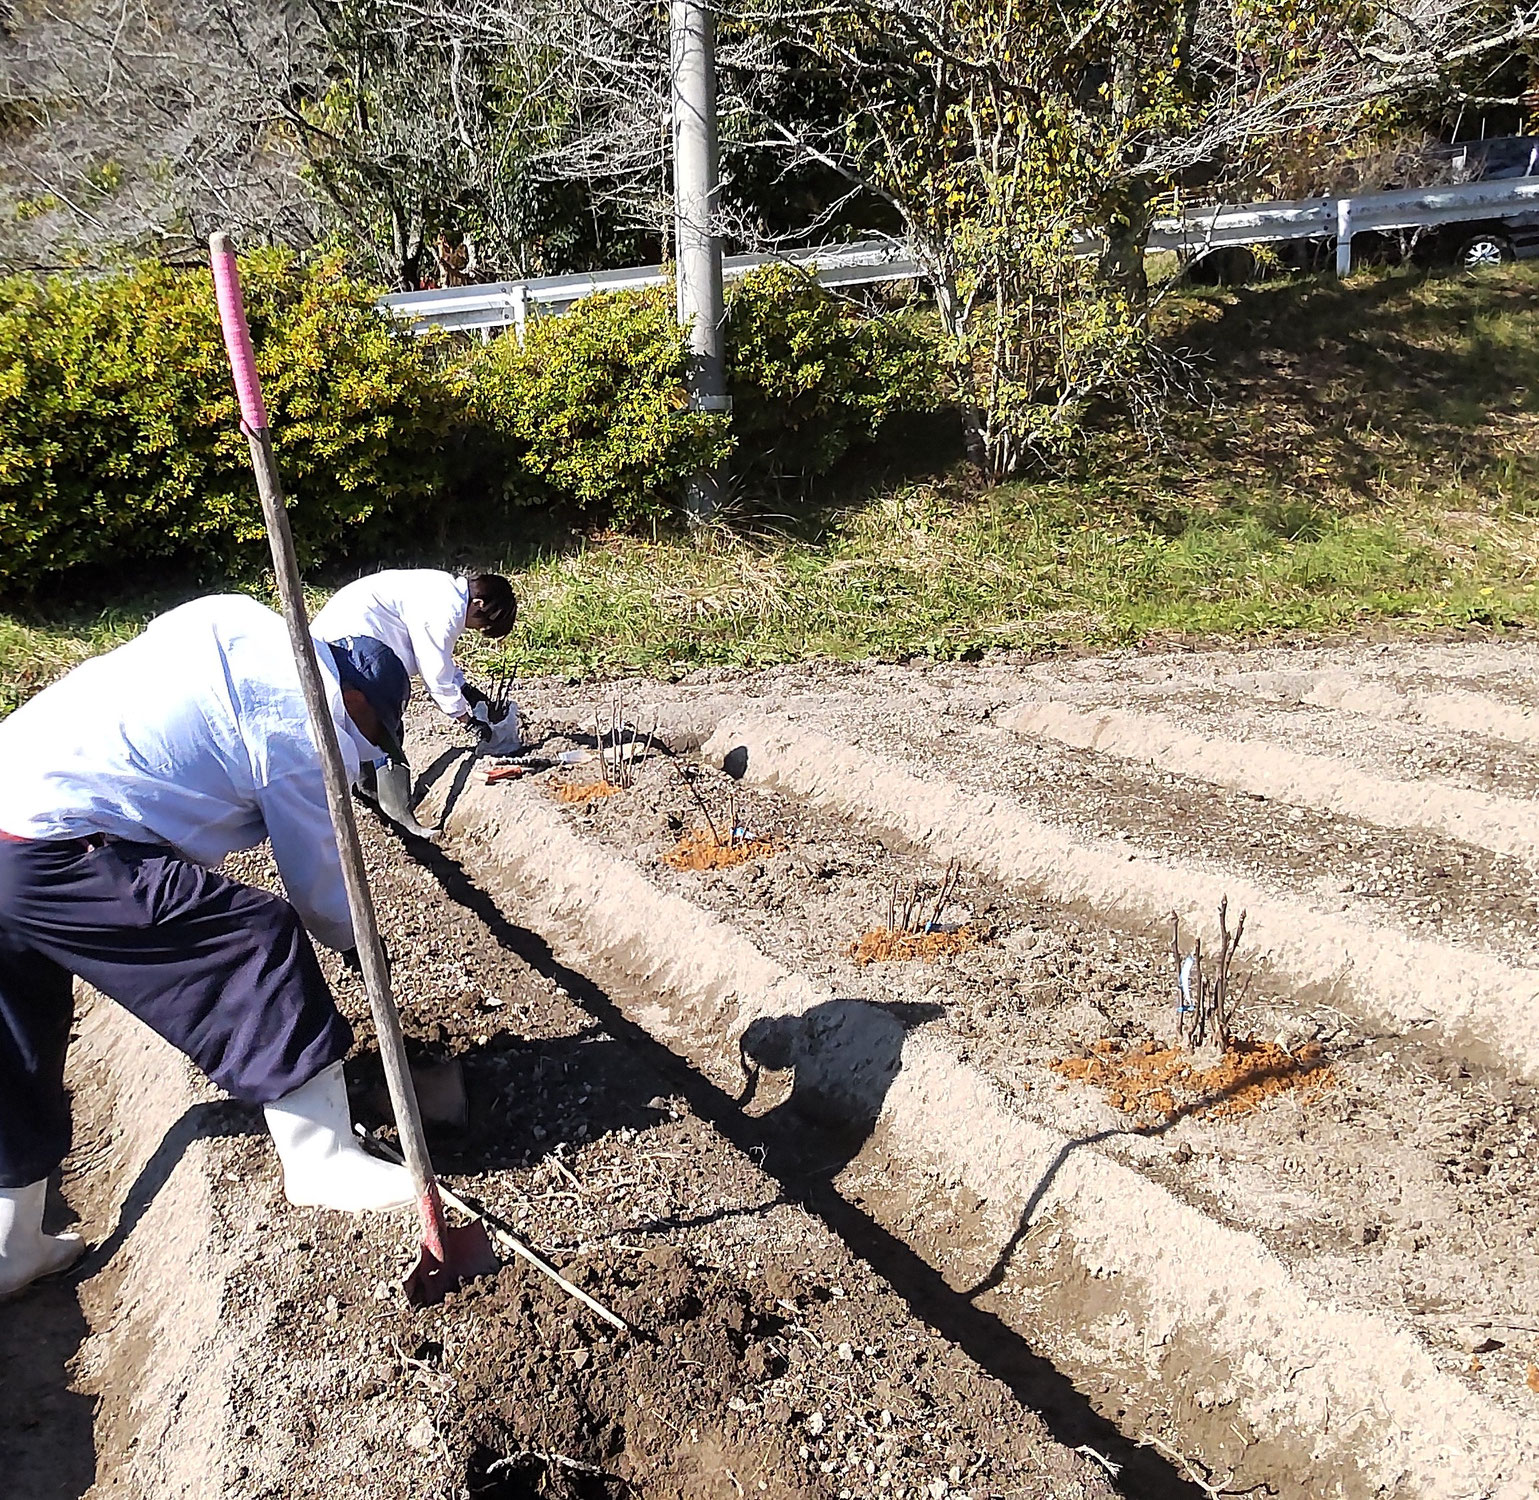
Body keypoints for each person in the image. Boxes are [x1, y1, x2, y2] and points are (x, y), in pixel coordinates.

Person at [0, 594, 418, 1301]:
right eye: (375, 726)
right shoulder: (304, 721)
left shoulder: (239, 628)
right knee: (255, 941)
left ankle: (14, 1245)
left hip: (15, 805)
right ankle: (323, 1162)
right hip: (49, 840)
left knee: (15, 1037)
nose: (368, 741)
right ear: (354, 695)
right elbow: (318, 887)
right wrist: (357, 945)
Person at [311, 569, 517, 737]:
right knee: (380, 733)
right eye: (479, 625)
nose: (471, 629)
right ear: (478, 605)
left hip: (339, 642)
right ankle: (378, 784)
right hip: (350, 648)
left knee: (370, 728)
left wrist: (466, 691)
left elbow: (437, 656)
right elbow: (433, 668)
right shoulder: (448, 610)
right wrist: (468, 721)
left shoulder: (444, 588)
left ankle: (370, 782)